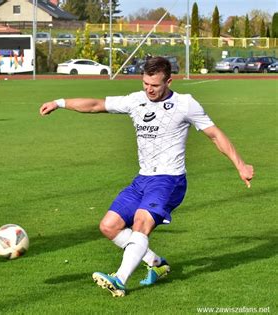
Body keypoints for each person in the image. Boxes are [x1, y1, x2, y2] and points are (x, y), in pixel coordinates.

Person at [39, 56, 254, 297]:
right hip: (142, 179)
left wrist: (240, 164)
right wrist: (59, 102)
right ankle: (156, 264)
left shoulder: (185, 104)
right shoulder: (136, 100)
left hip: (169, 180)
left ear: (169, 81)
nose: (149, 90)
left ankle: (119, 280)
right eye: (145, 84)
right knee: (109, 227)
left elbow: (215, 135)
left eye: (155, 85)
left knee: (141, 223)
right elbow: (95, 105)